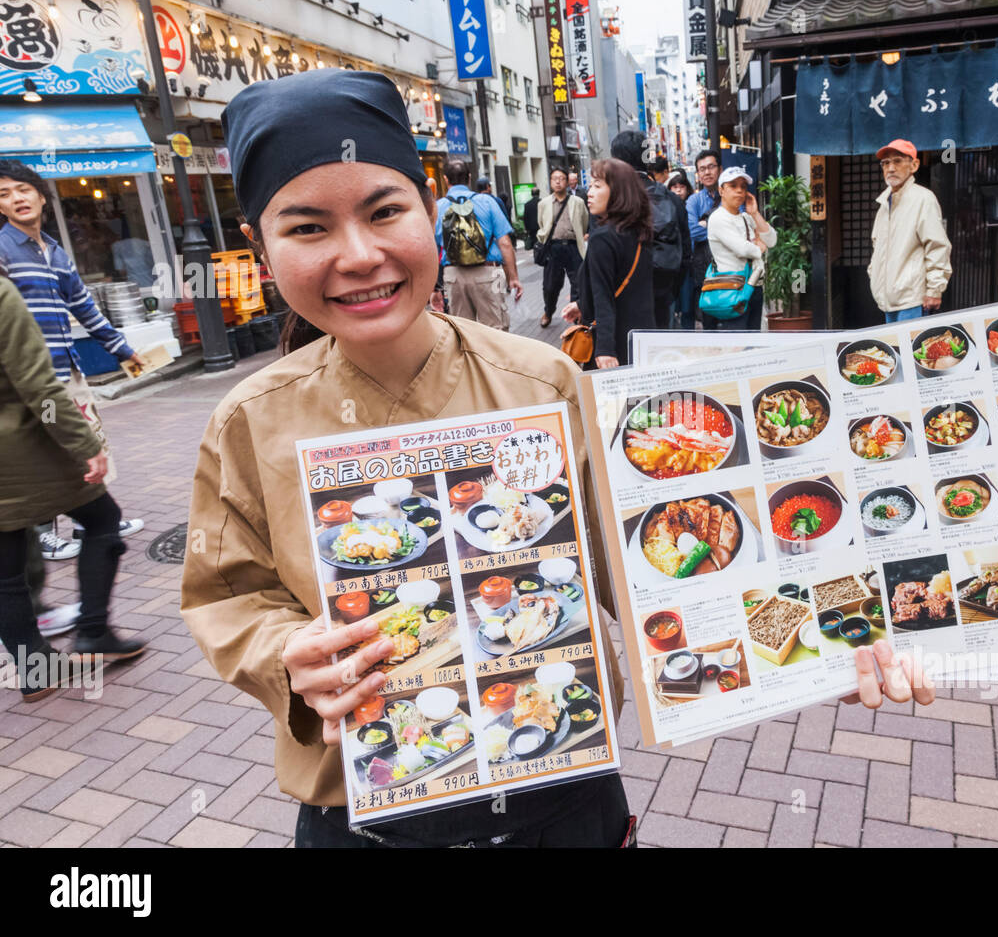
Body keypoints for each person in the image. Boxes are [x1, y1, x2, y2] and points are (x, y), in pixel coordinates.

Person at [181, 68, 634, 848]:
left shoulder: (544, 380)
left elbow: (637, 562)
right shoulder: (249, 422)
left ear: (431, 211)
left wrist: (841, 645)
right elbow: (226, 594)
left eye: (385, 211)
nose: (359, 256)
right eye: (308, 227)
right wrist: (285, 656)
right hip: (359, 808)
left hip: (560, 786)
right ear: (259, 247)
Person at [0, 266, 146, 702]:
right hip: (22, 448)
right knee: (103, 520)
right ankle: (94, 632)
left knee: (4, 568)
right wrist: (81, 442)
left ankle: (35, 668)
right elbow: (37, 387)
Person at [0, 161, 145, 564]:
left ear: (41, 195)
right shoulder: (3, 250)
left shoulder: (55, 251)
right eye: (4, 195)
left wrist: (121, 348)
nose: (16, 199)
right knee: (47, 451)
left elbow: (82, 306)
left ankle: (91, 522)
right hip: (31, 378)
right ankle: (44, 535)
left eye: (22, 190)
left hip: (69, 368)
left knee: (89, 444)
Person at [559, 158, 655, 367]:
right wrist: (582, 304)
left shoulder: (602, 238)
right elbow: (628, 290)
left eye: (597, 186)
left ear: (618, 192)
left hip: (613, 343)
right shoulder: (640, 232)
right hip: (642, 339)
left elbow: (604, 297)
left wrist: (605, 349)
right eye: (590, 185)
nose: (589, 193)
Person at [610, 131, 688, 330]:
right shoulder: (672, 200)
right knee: (662, 354)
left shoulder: (611, 201)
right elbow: (685, 253)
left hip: (623, 299)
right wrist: (671, 290)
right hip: (664, 294)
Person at [867, 139, 952, 323]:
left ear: (914, 165)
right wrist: (873, 274)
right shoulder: (884, 203)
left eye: (897, 161)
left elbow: (937, 246)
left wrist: (934, 290)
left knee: (910, 350)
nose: (890, 168)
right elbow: (877, 247)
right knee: (895, 350)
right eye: (886, 163)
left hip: (913, 300)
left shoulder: (923, 199)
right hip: (887, 300)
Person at [434, 160, 522, 330]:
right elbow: (504, 242)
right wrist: (514, 278)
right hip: (488, 272)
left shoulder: (438, 207)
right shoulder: (487, 202)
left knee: (462, 331)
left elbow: (431, 250)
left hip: (453, 275)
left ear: (445, 179)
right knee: (496, 330)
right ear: (469, 177)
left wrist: (434, 289)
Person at [707, 166, 774, 332]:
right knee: (738, 343)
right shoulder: (718, 218)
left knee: (753, 342)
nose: (739, 191)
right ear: (721, 190)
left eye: (743, 187)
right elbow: (743, 249)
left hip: (754, 286)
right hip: (733, 288)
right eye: (733, 186)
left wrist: (755, 213)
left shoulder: (745, 217)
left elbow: (771, 240)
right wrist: (758, 245)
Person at [536, 166, 588, 329]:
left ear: (567, 182)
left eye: (562, 178)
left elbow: (585, 222)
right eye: (554, 179)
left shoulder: (578, 202)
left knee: (579, 283)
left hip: (573, 247)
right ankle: (548, 312)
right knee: (550, 286)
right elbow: (541, 224)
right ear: (550, 182)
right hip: (553, 248)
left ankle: (578, 315)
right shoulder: (544, 203)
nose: (558, 182)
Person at [685, 148, 723, 330]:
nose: (707, 172)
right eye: (702, 169)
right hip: (704, 270)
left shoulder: (732, 196)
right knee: (709, 322)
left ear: (720, 169)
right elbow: (692, 231)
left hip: (731, 267)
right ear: (698, 174)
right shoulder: (693, 201)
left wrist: (706, 224)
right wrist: (724, 228)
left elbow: (740, 228)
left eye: (711, 167)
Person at [666, 172, 695, 329]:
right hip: (672, 262)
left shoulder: (690, 204)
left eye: (681, 187)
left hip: (688, 262)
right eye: (674, 187)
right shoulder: (667, 207)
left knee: (687, 304)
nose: (678, 191)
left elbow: (695, 231)